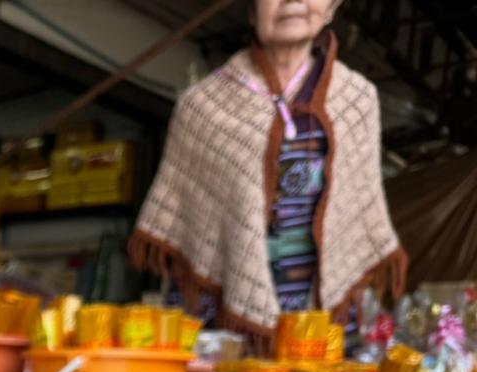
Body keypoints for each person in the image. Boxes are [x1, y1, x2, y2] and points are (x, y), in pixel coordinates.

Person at [129, 0, 404, 342]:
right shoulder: (201, 106)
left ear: (331, 9)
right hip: (226, 325)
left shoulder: (359, 101)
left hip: (323, 325)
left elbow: (358, 215)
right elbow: (186, 226)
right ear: (252, 12)